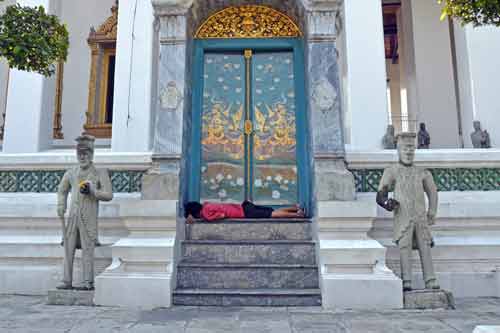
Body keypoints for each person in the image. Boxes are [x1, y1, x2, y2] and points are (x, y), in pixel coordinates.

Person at [376, 132, 439, 292]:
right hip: (403, 216)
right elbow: (381, 194)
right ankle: (407, 280)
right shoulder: (392, 171)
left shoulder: (423, 172)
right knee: (404, 246)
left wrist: (432, 210)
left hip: (420, 216)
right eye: (405, 149)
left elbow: (432, 192)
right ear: (399, 150)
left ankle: (430, 279)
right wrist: (387, 203)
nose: (409, 153)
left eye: (412, 149)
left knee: (425, 245)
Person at [56, 134, 113, 290]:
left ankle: (88, 282)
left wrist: (93, 191)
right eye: (79, 153)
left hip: (88, 216)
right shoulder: (71, 173)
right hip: (73, 216)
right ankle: (66, 280)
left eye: (86, 153)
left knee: (88, 249)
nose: (82, 156)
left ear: (91, 154)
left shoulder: (99, 172)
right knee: (68, 248)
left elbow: (108, 195)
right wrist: (61, 205)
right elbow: (62, 190)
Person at [184, 200, 305, 223]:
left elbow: (221, 215)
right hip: (244, 206)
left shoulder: (205, 214)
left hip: (244, 213)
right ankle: (295, 207)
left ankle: (297, 214)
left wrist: (205, 219)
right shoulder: (207, 204)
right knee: (272, 211)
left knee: (272, 214)